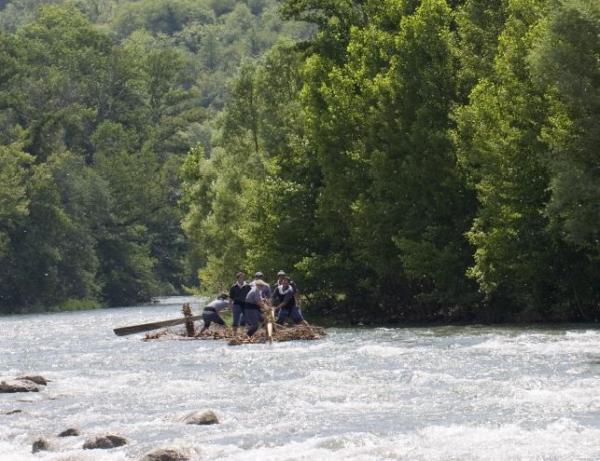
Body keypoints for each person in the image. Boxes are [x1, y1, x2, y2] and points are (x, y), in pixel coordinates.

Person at [229, 271, 250, 336]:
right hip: (236, 304)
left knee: (245, 319)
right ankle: (234, 334)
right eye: (241, 277)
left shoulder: (248, 286)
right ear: (237, 278)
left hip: (245, 304)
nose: (242, 278)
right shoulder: (233, 287)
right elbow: (231, 298)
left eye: (243, 277)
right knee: (235, 320)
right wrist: (230, 306)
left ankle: (243, 333)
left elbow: (250, 296)